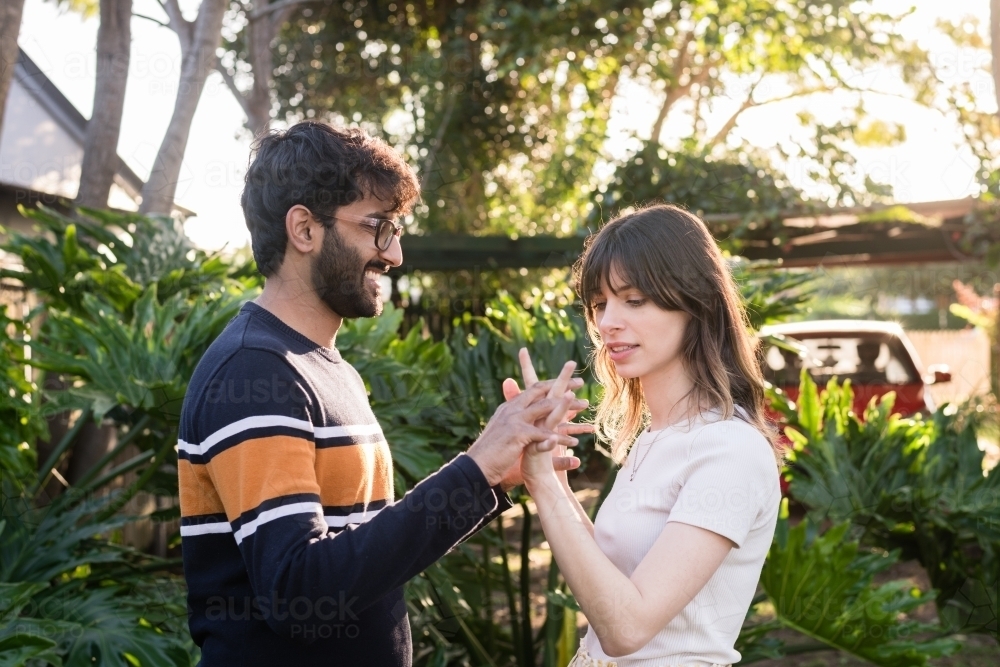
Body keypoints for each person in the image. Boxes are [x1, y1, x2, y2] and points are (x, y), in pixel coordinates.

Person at [176, 121, 588, 666]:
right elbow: (299, 594)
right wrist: (476, 467)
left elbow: (363, 551)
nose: (394, 255)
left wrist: (495, 478)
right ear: (304, 229)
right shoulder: (254, 371)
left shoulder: (324, 366)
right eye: (379, 227)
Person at [507, 204, 783, 667]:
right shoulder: (659, 436)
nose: (608, 322)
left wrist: (541, 483)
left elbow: (627, 627)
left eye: (634, 300)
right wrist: (548, 478)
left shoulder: (729, 449)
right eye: (599, 304)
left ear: (697, 301)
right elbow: (612, 581)